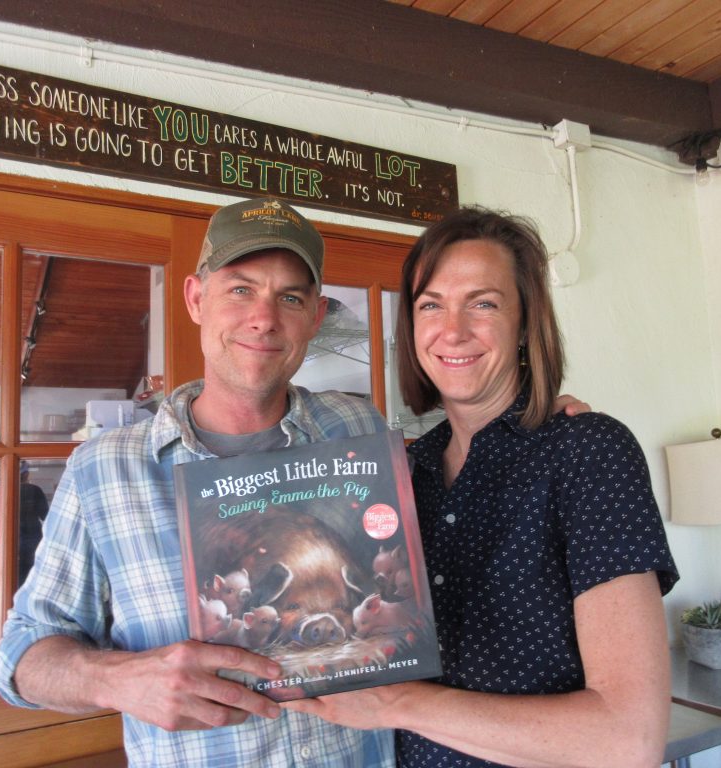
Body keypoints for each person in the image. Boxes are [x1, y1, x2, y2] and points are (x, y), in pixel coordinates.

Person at [0, 197, 397, 766]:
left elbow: (448, 471)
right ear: (194, 299)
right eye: (240, 289)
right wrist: (117, 678)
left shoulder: (358, 426)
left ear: (316, 317)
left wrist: (526, 418)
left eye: (290, 297)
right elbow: (20, 655)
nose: (265, 317)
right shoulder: (103, 469)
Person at [285, 207, 679, 768]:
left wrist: (397, 702)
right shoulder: (401, 476)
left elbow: (627, 741)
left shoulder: (587, 452)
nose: (454, 330)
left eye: (483, 303)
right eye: (431, 305)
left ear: (525, 323)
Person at [0, 462, 50, 585]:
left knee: (9, 579)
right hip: (33, 543)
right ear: (26, 474)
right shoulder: (35, 491)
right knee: (30, 580)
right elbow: (47, 517)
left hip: (6, 542)